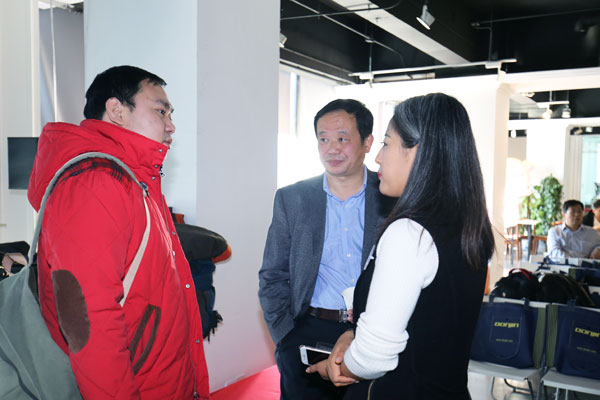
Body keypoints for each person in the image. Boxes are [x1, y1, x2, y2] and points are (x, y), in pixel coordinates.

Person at [27, 66, 210, 399]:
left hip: (161, 380)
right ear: (116, 111)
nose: (171, 125)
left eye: (170, 114)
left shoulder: (135, 179)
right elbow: (90, 322)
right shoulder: (95, 182)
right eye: (161, 111)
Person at [307, 93, 495, 399]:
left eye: (386, 143)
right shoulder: (467, 225)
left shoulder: (410, 232)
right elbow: (425, 319)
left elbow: (372, 358)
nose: (378, 158)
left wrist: (337, 367)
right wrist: (352, 334)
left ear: (417, 150)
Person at [258, 99, 393, 399]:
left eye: (342, 139)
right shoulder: (293, 198)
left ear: (367, 142)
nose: (331, 149)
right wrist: (285, 337)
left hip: (372, 332)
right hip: (308, 329)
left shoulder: (392, 198)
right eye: (323, 139)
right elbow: (272, 273)